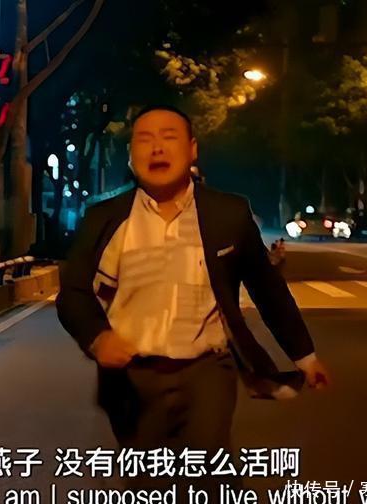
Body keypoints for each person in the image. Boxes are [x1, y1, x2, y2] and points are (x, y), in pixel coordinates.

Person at [56, 105, 329, 494]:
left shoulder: (227, 214)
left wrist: (305, 356)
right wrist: (98, 338)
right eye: (145, 140)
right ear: (131, 155)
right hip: (132, 377)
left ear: (193, 148)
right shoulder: (104, 218)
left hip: (207, 368)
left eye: (169, 137)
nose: (157, 148)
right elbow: (73, 292)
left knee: (210, 470)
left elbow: (266, 286)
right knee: (146, 482)